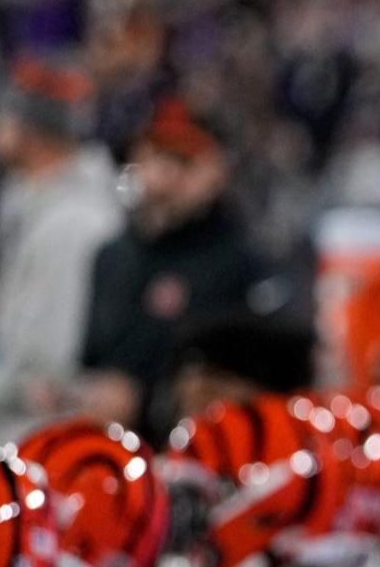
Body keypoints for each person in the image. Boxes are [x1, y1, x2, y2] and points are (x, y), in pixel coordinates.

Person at [78, 97, 286, 443]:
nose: (168, 173)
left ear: (217, 171)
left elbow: (246, 386)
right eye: (156, 155)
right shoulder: (111, 256)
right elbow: (92, 358)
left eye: (185, 160)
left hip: (192, 450)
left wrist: (145, 402)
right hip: (107, 450)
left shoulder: (241, 264)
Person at [0, 58, 124, 444]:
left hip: (30, 441)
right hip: (7, 424)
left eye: (3, 117)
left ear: (31, 131)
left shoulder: (75, 223)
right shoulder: (37, 206)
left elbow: (49, 372)